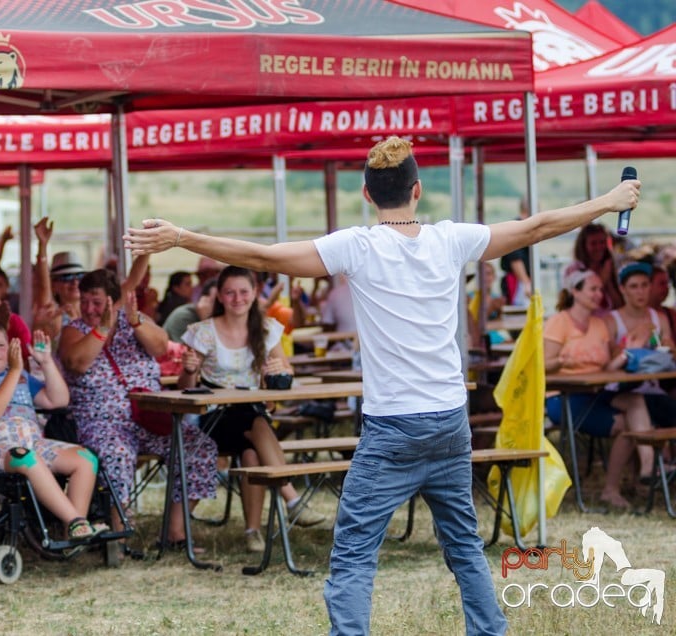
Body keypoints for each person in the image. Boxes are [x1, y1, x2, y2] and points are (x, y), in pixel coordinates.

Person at [125, 135, 641, 636]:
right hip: (448, 422)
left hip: (393, 427)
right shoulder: (450, 239)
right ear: (418, 190)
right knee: (463, 547)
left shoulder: (358, 246)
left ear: (367, 194)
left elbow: (266, 257)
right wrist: (609, 200)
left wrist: (183, 237)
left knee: (354, 550)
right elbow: (537, 227)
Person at [57, 267, 217, 546]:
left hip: (148, 417)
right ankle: (118, 536)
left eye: (96, 302)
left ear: (112, 300)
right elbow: (77, 362)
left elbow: (160, 348)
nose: (89, 308)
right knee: (117, 453)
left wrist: (135, 321)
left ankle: (175, 532)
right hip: (102, 422)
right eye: (84, 301)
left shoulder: (134, 321)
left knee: (198, 448)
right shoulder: (75, 330)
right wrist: (102, 328)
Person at [179, 265, 326, 552]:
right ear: (220, 296)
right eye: (230, 292)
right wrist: (188, 370)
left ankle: (253, 533)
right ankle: (292, 499)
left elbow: (285, 376)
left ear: (255, 293)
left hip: (250, 417)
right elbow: (186, 385)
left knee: (252, 448)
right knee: (254, 420)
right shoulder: (202, 332)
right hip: (212, 419)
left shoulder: (267, 328)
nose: (237, 298)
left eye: (243, 292)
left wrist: (278, 370)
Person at [0, 321, 107, 541]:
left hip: (32, 441)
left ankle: (74, 532)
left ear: (10, 349)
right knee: (28, 459)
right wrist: (14, 370)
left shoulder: (21, 376)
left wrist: (46, 363)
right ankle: (76, 522)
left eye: (1, 345)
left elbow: (58, 399)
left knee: (85, 459)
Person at [543, 270, 656, 509]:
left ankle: (648, 466)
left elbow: (607, 365)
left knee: (635, 400)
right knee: (624, 425)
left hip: (595, 391)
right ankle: (611, 489)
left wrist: (628, 353)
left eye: (600, 289)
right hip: (563, 396)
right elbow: (542, 365)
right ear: (575, 291)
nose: (599, 294)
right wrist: (565, 361)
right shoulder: (558, 322)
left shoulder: (599, 324)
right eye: (593, 289)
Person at [603, 261, 676, 429]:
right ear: (622, 289)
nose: (640, 292)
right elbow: (608, 361)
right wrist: (633, 345)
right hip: (619, 390)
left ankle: (664, 454)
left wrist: (669, 348)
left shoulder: (659, 318)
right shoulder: (611, 321)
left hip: (653, 388)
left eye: (644, 285)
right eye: (634, 286)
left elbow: (670, 355)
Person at [564, 223, 624, 311]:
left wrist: (609, 282)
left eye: (602, 242)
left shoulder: (609, 265)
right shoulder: (574, 270)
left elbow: (620, 306)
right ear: (583, 246)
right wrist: (603, 278)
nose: (599, 247)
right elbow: (574, 305)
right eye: (593, 243)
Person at [499, 197, 531, 307]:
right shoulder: (517, 228)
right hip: (516, 282)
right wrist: (526, 283)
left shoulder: (524, 228)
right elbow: (515, 259)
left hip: (523, 280)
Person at [163, 278, 217, 343]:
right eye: (215, 301)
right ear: (203, 299)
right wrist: (205, 320)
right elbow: (194, 350)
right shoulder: (184, 316)